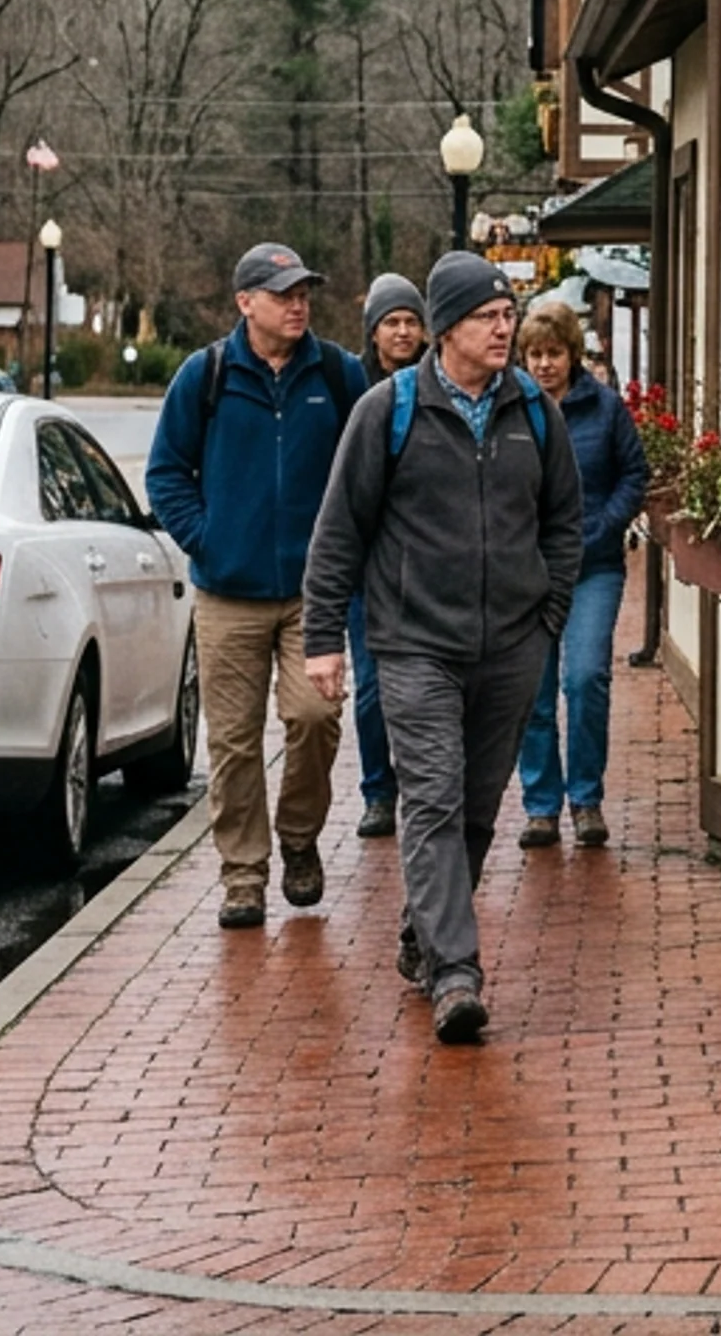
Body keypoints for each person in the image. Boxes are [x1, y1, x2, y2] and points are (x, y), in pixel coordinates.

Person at [300, 252, 582, 1044]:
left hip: (512, 646)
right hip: (415, 644)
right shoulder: (387, 411)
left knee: (478, 810)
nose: (507, 328)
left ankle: (425, 932)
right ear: (448, 327)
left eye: (509, 314)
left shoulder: (535, 412)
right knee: (431, 797)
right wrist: (325, 638)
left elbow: (565, 522)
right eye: (490, 317)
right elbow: (338, 535)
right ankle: (457, 973)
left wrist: (549, 615)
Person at [146, 242, 368, 930]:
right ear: (246, 303)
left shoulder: (337, 373)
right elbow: (165, 475)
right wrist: (210, 539)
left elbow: (374, 467)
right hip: (226, 595)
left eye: (303, 291)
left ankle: (299, 835)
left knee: (314, 718)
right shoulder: (205, 375)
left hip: (314, 593)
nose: (298, 303)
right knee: (235, 742)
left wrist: (355, 551)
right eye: (282, 294)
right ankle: (243, 875)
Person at [515, 301, 646, 850]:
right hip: (526, 572)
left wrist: (602, 528)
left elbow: (634, 476)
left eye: (555, 354)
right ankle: (541, 806)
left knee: (585, 676)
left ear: (573, 354)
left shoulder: (606, 409)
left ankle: (585, 799)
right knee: (532, 691)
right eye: (535, 355)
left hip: (593, 567)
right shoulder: (511, 410)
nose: (545, 365)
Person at [345, 272, 428, 841]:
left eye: (410, 322)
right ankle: (379, 790)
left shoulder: (438, 384)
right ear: (373, 332)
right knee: (372, 684)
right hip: (363, 565)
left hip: (425, 563)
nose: (401, 332)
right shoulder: (350, 386)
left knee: (429, 685)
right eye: (391, 323)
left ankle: (426, 784)